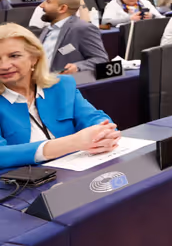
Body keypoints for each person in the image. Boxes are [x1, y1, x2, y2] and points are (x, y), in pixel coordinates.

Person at [0, 24, 121, 170]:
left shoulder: (62, 85)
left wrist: (104, 134)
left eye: (14, 56)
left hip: (73, 174)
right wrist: (72, 143)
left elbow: (94, 118)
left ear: (34, 58)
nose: (4, 65)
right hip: (21, 185)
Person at [36, 0, 108, 74]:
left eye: (48, 2)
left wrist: (78, 67)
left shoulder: (83, 29)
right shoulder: (47, 29)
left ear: (62, 8)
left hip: (62, 83)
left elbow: (101, 59)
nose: (41, 6)